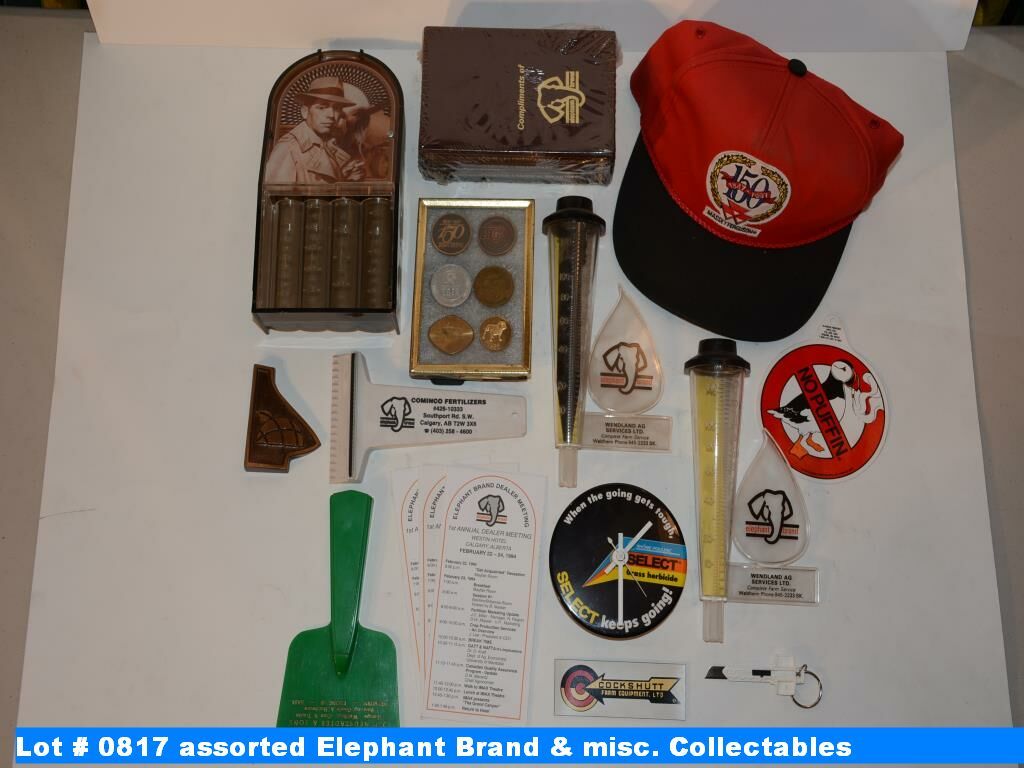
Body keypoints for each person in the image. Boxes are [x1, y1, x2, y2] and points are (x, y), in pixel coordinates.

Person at [265, 76, 366, 183]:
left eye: (336, 108)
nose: (331, 115)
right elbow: (277, 193)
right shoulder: (288, 148)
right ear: (305, 112)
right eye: (322, 107)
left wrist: (343, 176)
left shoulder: (325, 143)